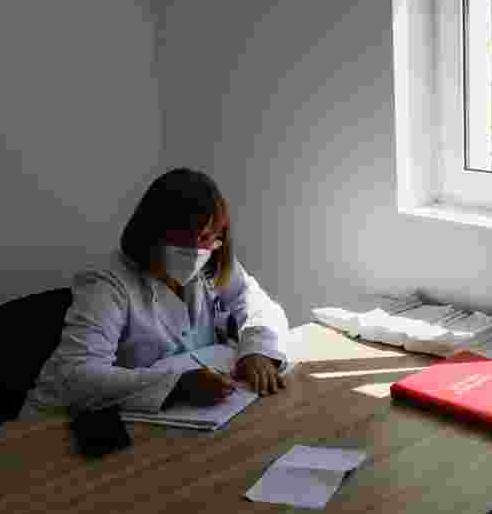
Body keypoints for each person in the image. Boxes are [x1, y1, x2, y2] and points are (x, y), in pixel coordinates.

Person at [17, 168, 291, 422]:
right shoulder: (107, 283)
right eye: (185, 238)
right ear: (152, 232)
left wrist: (256, 351)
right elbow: (77, 377)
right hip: (60, 427)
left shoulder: (212, 262)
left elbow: (259, 306)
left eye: (207, 237)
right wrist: (176, 385)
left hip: (159, 422)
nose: (197, 250)